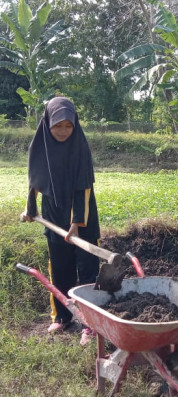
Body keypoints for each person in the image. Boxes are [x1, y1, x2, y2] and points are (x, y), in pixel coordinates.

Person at [20, 97, 100, 346]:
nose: (63, 131)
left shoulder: (79, 147)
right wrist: (29, 209)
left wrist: (77, 223)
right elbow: (36, 179)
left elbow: (83, 187)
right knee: (59, 266)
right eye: (58, 126)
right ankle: (62, 316)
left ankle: (90, 324)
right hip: (53, 213)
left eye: (68, 126)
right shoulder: (40, 145)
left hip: (82, 216)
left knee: (87, 269)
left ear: (75, 125)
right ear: (48, 124)